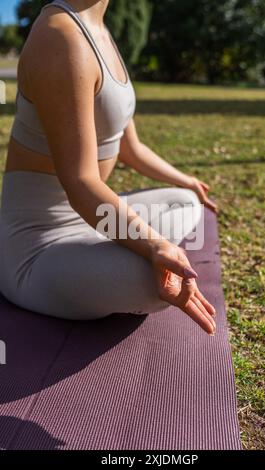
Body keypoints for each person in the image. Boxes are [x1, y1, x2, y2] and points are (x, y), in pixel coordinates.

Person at [0, 0, 217, 335]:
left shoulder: (97, 29)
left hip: (90, 216)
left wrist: (185, 179)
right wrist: (153, 245)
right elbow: (81, 183)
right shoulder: (60, 36)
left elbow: (130, 147)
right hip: (36, 246)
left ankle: (116, 241)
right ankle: (117, 250)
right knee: (154, 283)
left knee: (185, 201)